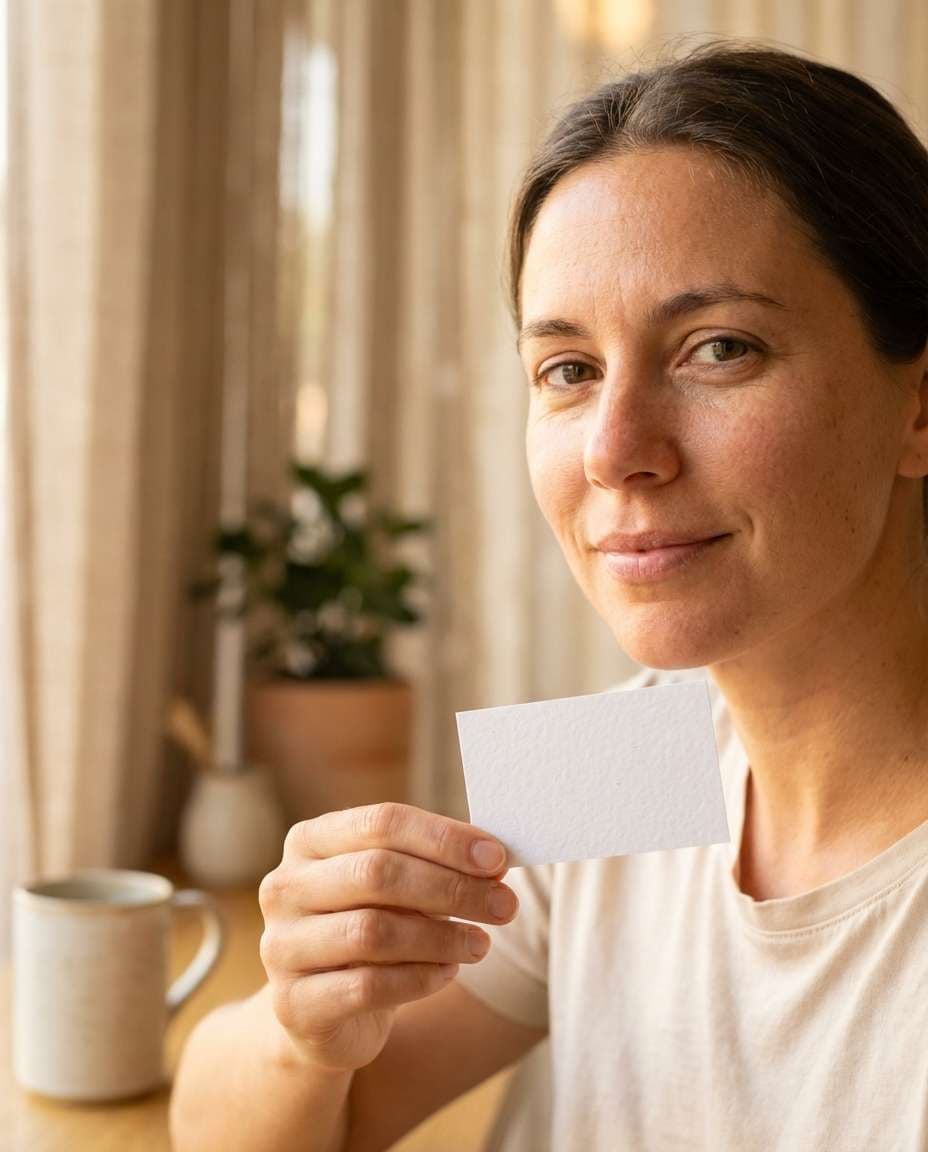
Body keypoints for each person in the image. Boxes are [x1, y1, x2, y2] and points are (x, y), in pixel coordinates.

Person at [169, 38, 928, 1152]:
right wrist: (300, 1026)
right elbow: (234, 1130)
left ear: (915, 409)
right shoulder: (624, 756)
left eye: (719, 349)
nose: (616, 451)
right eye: (567, 369)